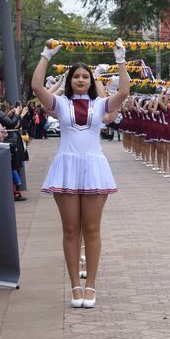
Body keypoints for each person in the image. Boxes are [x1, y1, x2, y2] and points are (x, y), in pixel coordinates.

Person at [31, 38, 129, 308]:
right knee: (71, 230)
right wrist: (46, 54)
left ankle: (91, 286)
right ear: (70, 80)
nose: (81, 80)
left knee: (92, 229)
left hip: (94, 167)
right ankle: (75, 284)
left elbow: (124, 92)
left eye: (85, 76)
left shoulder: (100, 106)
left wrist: (120, 60)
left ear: (90, 80)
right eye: (76, 76)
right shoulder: (60, 105)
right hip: (66, 168)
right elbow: (37, 86)